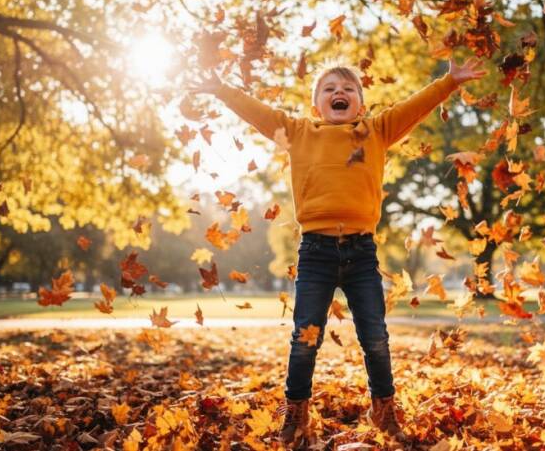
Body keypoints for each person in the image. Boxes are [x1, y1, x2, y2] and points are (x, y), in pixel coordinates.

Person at [189, 58, 485, 447]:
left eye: (348, 89)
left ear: (361, 104)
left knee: (375, 338)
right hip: (316, 252)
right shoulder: (298, 132)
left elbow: (415, 105)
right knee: (304, 339)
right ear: (316, 106)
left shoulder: (377, 130)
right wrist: (223, 90)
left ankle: (383, 410)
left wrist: (449, 81)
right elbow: (258, 113)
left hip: (362, 253)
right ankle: (296, 414)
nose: (339, 93)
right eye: (329, 89)